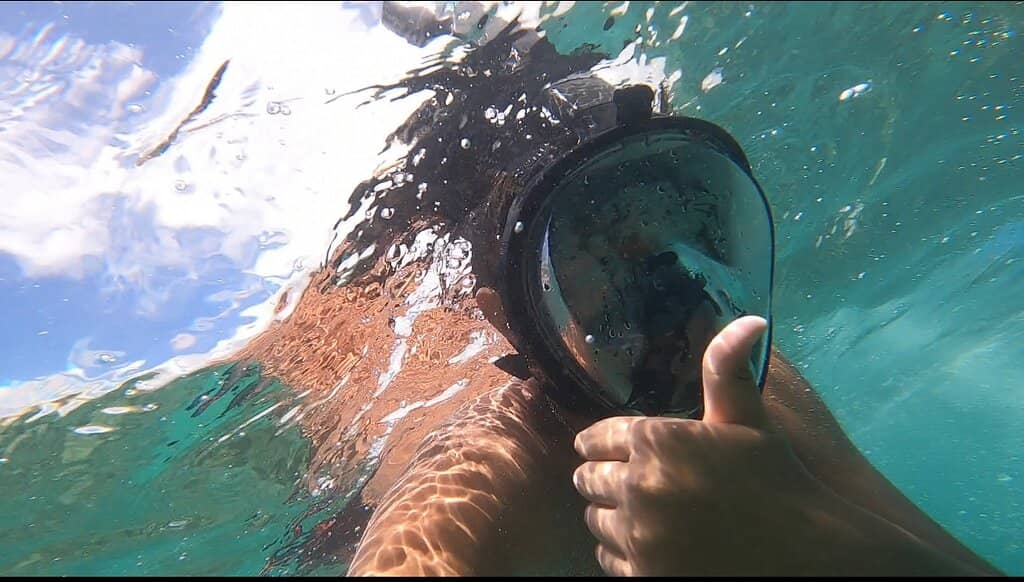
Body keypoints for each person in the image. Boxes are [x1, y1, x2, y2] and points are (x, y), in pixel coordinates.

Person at [342, 87, 1003, 577]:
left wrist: (817, 541)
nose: (683, 281)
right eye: (604, 244)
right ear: (510, 317)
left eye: (700, 228)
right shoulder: (480, 485)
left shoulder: (758, 390)